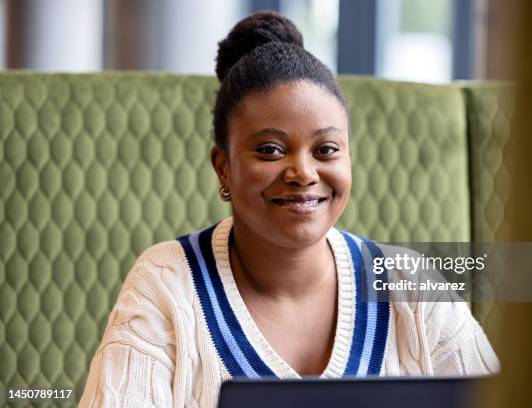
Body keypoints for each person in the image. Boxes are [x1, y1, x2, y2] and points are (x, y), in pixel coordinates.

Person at [79, 11, 499, 407]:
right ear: (223, 167)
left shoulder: (412, 288)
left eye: (327, 149)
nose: (302, 172)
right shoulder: (167, 284)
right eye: (270, 150)